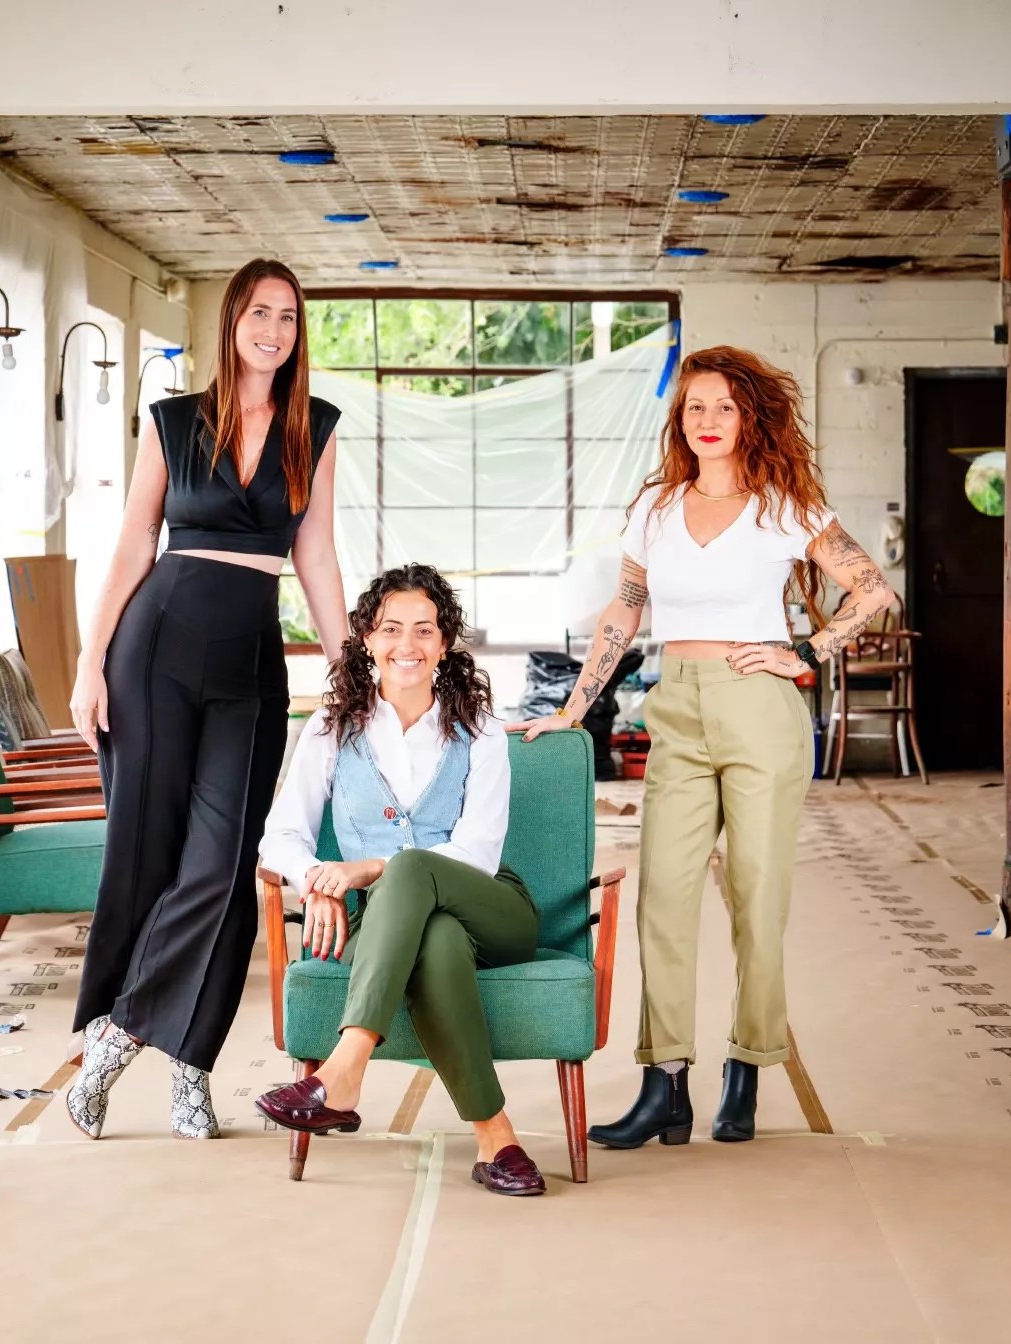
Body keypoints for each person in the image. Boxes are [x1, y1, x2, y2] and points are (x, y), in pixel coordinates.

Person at [512, 345, 898, 1147]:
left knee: (758, 905)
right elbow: (622, 615)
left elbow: (875, 592)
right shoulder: (655, 509)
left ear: (749, 415)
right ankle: (666, 1086)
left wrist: (808, 652)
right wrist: (576, 709)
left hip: (760, 709)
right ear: (679, 419)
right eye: (695, 407)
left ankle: (747, 1074)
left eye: (725, 406)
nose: (709, 421)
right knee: (663, 903)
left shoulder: (786, 505)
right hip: (678, 712)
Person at [63, 258, 347, 1140]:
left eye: (289, 318)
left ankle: (125, 1044)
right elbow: (134, 541)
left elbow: (319, 558)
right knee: (145, 854)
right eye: (259, 313)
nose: (273, 329)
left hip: (251, 656)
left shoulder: (316, 428)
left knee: (223, 869)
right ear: (232, 322)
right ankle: (184, 1070)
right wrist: (89, 659)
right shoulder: (174, 421)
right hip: (156, 645)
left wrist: (350, 670)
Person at [251, 565, 549, 1197]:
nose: (406, 645)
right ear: (366, 638)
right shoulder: (332, 730)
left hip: (494, 912)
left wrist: (365, 869)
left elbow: (477, 853)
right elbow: (279, 838)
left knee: (414, 867)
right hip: (385, 928)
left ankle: (344, 1069)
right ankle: (498, 1139)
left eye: (424, 629)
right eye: (390, 629)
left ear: (445, 644)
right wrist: (316, 881)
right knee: (435, 943)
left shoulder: (481, 731)